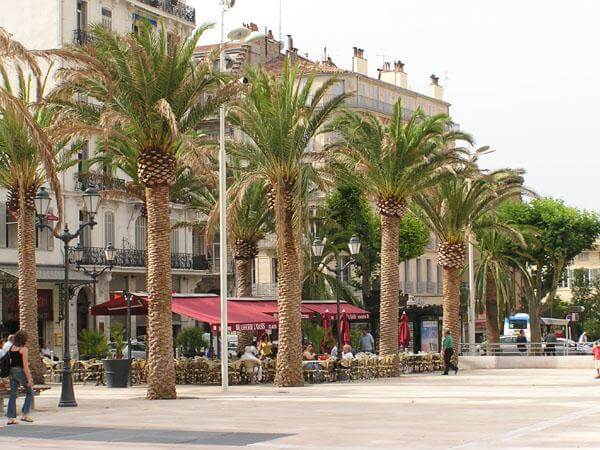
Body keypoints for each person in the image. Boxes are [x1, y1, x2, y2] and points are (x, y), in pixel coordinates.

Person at [6, 330, 34, 425]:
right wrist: (29, 379)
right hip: (20, 371)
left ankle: (11, 417)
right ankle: (25, 414)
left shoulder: (11, 348)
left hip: (11, 371)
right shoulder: (24, 349)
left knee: (13, 394)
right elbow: (25, 366)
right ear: (24, 339)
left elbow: (10, 361)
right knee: (30, 392)